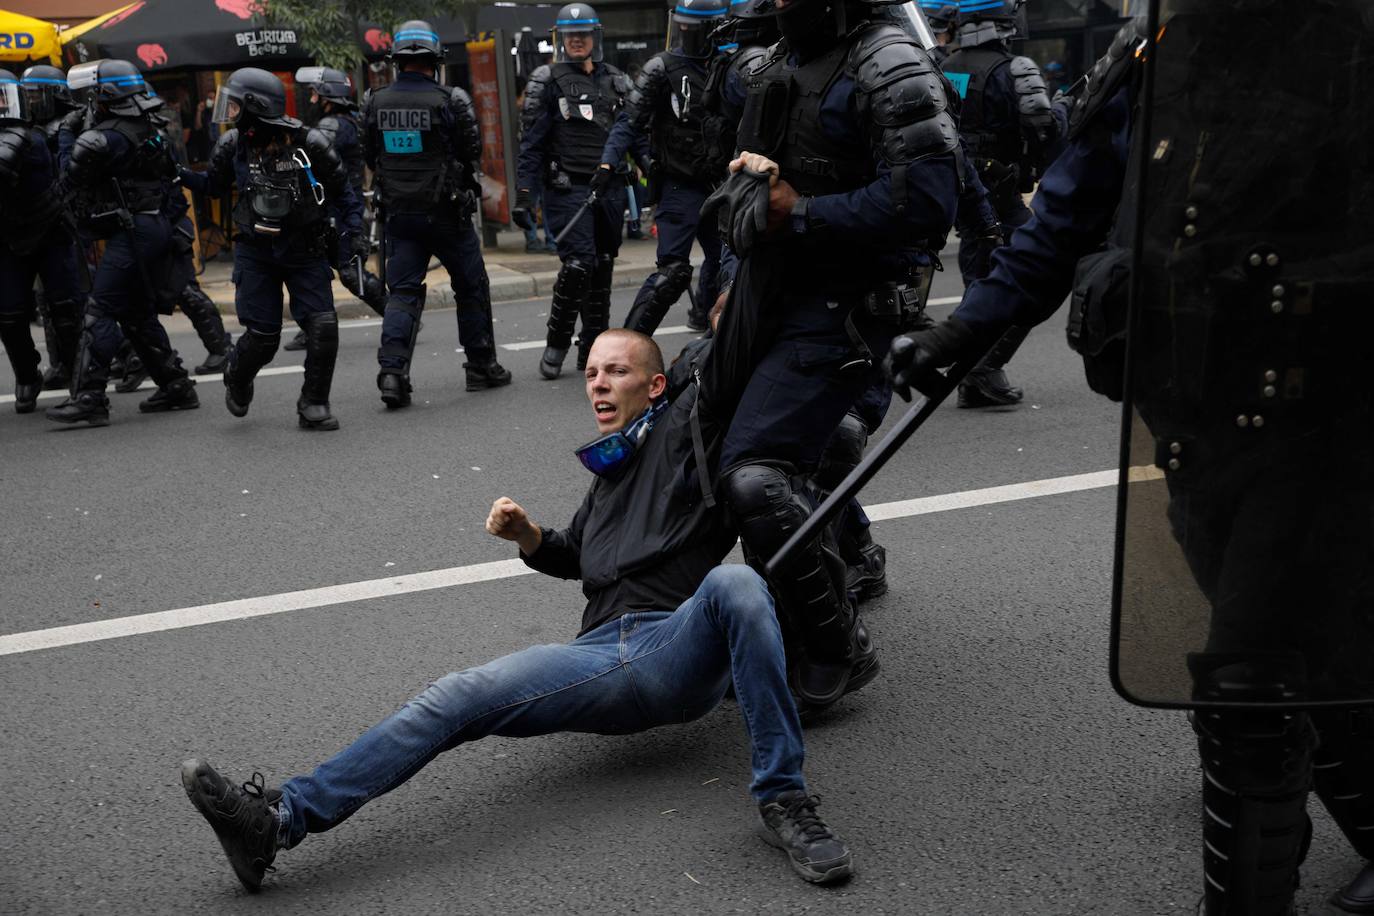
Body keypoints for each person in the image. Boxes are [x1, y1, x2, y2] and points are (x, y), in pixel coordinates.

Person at [886, 6, 1374, 912]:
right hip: (1191, 416)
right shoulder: (1156, 50)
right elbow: (1061, 217)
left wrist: (1282, 283)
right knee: (1310, 653)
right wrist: (960, 333)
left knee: (1245, 681)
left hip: (1321, 422)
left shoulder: (1349, 43)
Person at [180, 328, 857, 893]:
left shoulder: (690, 439)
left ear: (655, 386)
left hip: (670, 647)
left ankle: (784, 798)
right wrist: (531, 537)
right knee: (456, 694)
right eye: (590, 372)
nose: (595, 383)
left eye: (615, 371)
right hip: (597, 658)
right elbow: (579, 555)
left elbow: (724, 353)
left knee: (735, 586)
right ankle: (278, 822)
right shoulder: (610, 472)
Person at [697, 0, 960, 710]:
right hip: (775, 297)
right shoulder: (783, 60)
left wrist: (804, 214)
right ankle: (776, 622)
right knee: (717, 439)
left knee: (756, 473)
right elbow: (751, 190)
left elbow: (930, 201)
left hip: (846, 309)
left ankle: (836, 647)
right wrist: (734, 286)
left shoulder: (888, 62)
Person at [179, 67, 362, 430]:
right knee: (263, 338)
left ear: (254, 106)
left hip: (305, 247)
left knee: (323, 327)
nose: (228, 113)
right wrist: (174, 172)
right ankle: (237, 375)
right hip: (256, 251)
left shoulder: (308, 142)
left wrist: (351, 237)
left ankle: (314, 402)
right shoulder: (233, 145)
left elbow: (343, 191)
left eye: (234, 106)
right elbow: (212, 186)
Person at [365, 21, 512, 408]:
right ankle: (481, 367)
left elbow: (370, 156)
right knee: (471, 285)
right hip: (447, 214)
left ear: (398, 62)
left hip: (399, 215)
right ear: (435, 61)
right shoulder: (451, 99)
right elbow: (472, 150)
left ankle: (393, 375)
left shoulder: (375, 102)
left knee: (403, 293)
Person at [45, 60, 199, 427]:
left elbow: (68, 180)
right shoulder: (148, 127)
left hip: (132, 232)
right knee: (134, 313)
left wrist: (67, 136)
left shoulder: (101, 139)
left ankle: (89, 399)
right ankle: (176, 385)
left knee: (98, 311)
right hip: (153, 224)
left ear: (105, 96)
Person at [513, 3, 646, 379]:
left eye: (583, 35)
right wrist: (524, 193)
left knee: (602, 267)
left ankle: (593, 348)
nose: (576, 41)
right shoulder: (546, 80)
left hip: (611, 189)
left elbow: (634, 137)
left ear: (595, 38)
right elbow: (531, 146)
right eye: (570, 36)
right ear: (560, 40)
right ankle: (556, 343)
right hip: (567, 188)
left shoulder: (618, 80)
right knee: (578, 263)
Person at [937, 0, 1060, 409]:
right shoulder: (1016, 68)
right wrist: (1063, 112)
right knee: (1037, 271)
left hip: (964, 188)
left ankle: (975, 375)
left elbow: (948, 124)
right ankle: (983, 368)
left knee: (981, 276)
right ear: (1001, 22)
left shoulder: (949, 66)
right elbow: (1044, 127)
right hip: (1002, 191)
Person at [597, 0, 731, 336]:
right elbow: (629, 121)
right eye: (682, 26)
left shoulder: (731, 65)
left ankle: (708, 323)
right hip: (678, 183)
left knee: (728, 265)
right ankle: (629, 343)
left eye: (692, 28)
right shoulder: (661, 68)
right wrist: (607, 163)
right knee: (671, 271)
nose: (685, 32)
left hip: (721, 182)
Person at [283, 65, 386, 354]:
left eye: (315, 94)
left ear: (329, 96)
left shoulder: (333, 126)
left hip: (340, 213)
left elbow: (305, 153)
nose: (311, 99)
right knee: (311, 271)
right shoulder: (345, 122)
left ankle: (398, 315)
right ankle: (312, 329)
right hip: (330, 211)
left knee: (350, 273)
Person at [0, 69, 83, 414]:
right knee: (7, 314)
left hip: (50, 231)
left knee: (66, 308)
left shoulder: (28, 139)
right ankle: (26, 374)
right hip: (8, 237)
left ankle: (80, 380)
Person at [20, 64, 84, 392]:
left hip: (71, 222)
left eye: (36, 95)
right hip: (46, 225)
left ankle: (117, 357)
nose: (30, 102)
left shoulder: (68, 126)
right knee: (48, 301)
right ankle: (61, 362)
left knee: (80, 299)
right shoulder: (33, 129)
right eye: (26, 96)